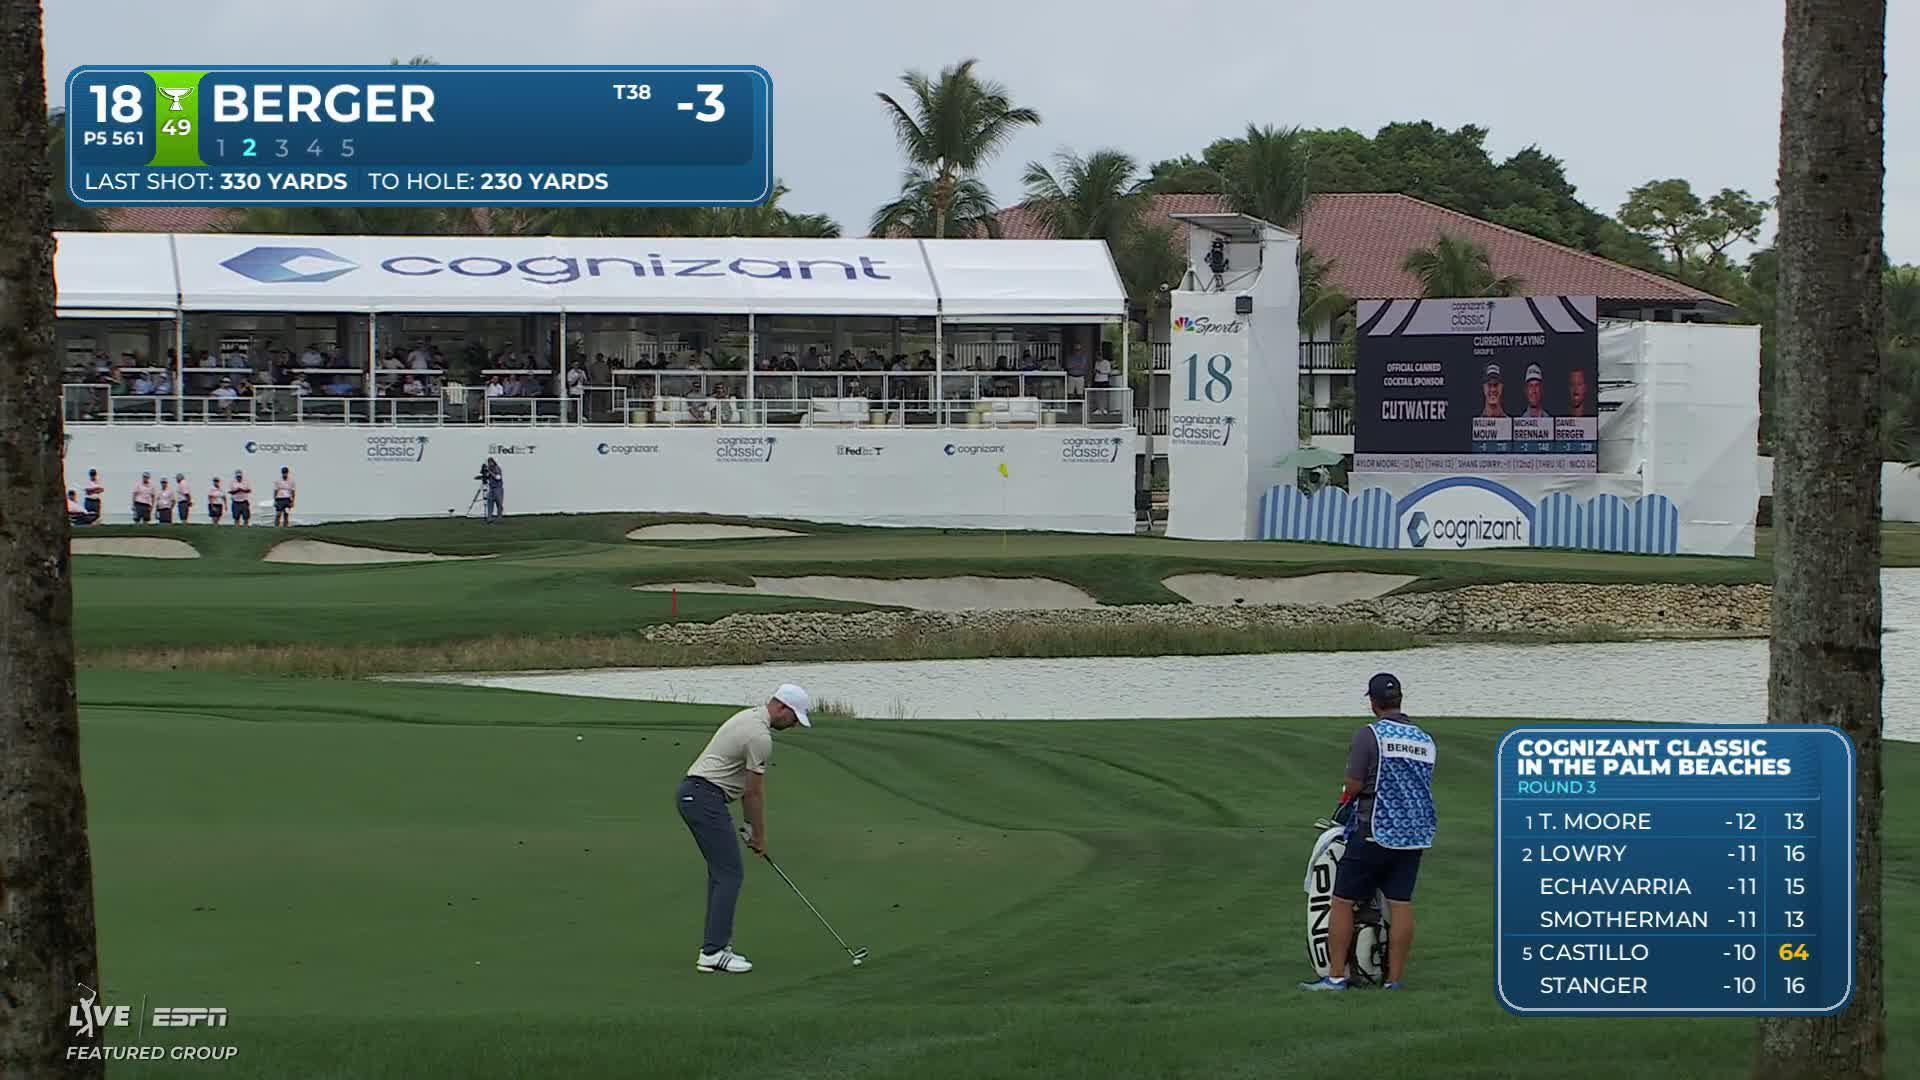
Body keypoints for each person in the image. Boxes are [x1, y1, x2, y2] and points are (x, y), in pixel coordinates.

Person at [1299, 673, 1436, 993]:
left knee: (1342, 900)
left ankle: (1335, 977)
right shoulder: (1424, 740)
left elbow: (1355, 785)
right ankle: (1394, 981)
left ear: (1373, 703)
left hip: (1374, 831)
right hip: (1414, 833)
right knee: (1400, 903)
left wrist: (1344, 802)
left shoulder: (1369, 735)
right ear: (1399, 700)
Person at [675, 684, 813, 974]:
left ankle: (716, 947)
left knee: (721, 873)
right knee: (730, 874)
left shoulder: (749, 717)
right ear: (782, 708)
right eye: (794, 719)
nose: (794, 726)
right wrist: (759, 835)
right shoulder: (759, 736)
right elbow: (753, 793)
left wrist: (750, 827)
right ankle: (712, 952)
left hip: (697, 795)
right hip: (704, 797)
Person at [483, 457, 504, 523]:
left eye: (490, 462)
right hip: (491, 488)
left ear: (493, 462)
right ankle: (489, 518)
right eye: (488, 462)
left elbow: (498, 477)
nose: (489, 464)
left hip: (498, 488)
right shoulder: (489, 469)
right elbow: (487, 476)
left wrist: (490, 472)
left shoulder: (497, 468)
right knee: (490, 503)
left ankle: (499, 517)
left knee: (499, 503)